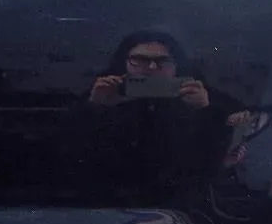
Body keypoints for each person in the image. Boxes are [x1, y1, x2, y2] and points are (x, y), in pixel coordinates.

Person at [75, 31, 244, 206]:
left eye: (164, 61)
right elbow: (73, 157)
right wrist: (95, 108)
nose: (152, 67)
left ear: (177, 66)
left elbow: (218, 160)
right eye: (140, 60)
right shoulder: (101, 95)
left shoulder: (203, 97)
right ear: (123, 63)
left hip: (185, 207)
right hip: (107, 207)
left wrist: (205, 111)